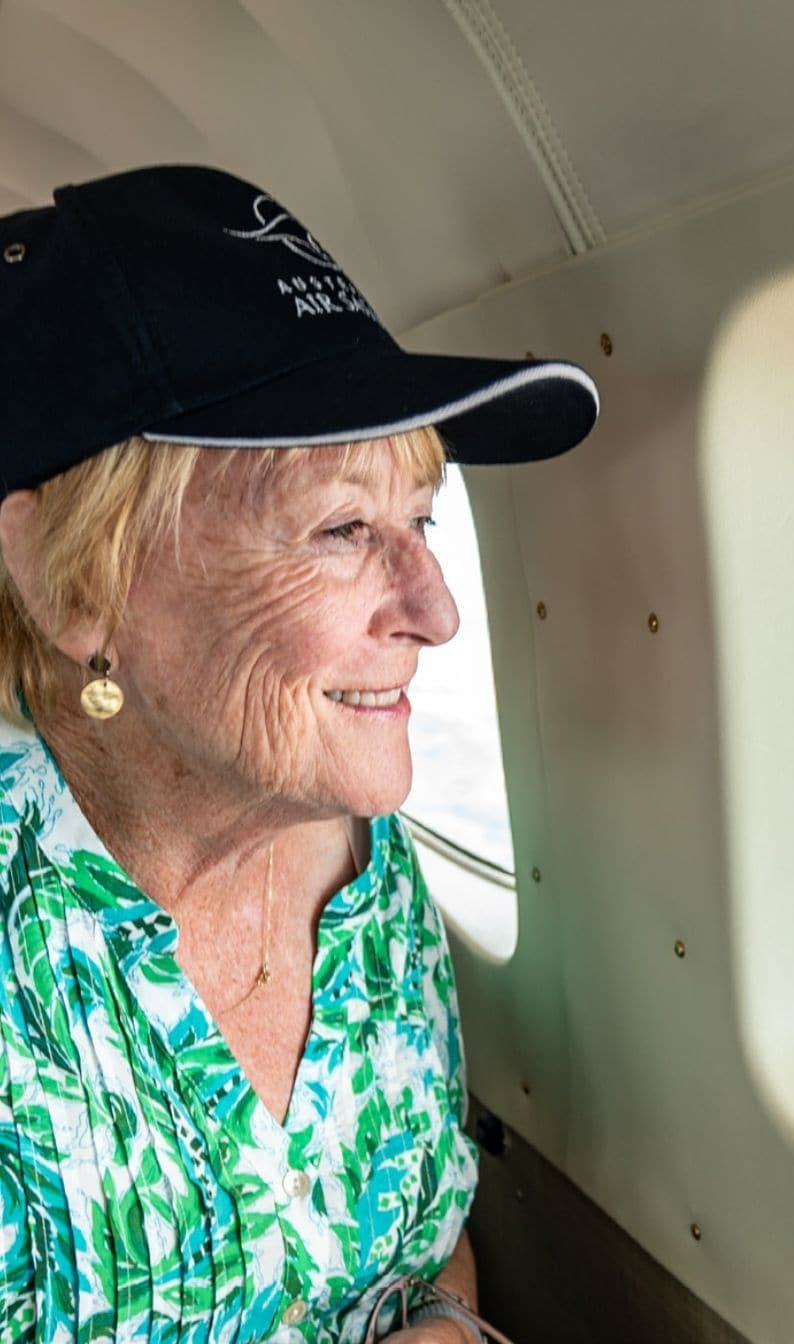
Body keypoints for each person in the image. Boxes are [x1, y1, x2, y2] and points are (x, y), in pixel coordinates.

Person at [0, 165, 598, 1342]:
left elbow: (421, 1249)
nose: (434, 611)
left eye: (420, 521)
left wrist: (446, 1322)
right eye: (341, 528)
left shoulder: (362, 869)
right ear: (76, 582)